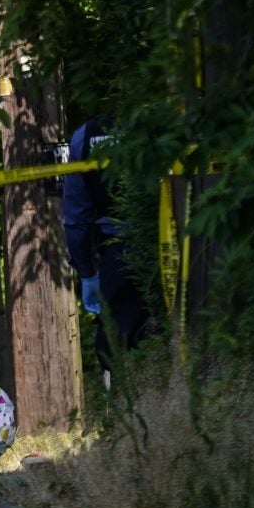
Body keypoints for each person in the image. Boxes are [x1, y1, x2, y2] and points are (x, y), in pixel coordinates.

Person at [62, 115, 153, 383]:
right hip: (175, 241)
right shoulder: (167, 117)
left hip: (119, 252)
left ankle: (122, 414)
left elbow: (76, 217)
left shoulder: (87, 135)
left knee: (115, 345)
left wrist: (88, 273)